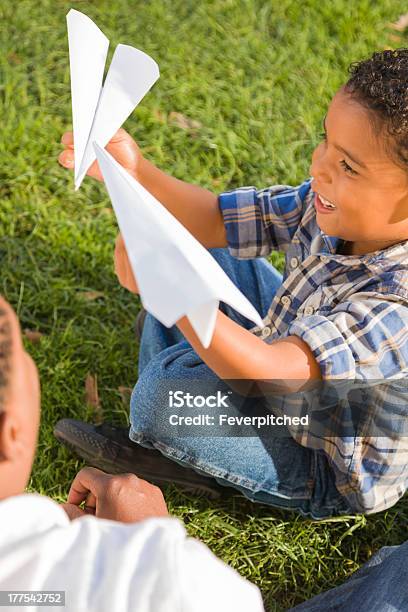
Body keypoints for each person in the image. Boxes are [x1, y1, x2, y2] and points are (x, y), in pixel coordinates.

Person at [57, 49, 408, 519]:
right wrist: (136, 173)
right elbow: (217, 220)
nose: (317, 166)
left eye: (348, 167)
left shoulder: (398, 305)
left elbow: (275, 372)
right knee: (189, 242)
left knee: (164, 395)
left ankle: (170, 451)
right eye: (325, 141)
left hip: (320, 457)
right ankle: (191, 370)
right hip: (283, 341)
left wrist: (175, 291)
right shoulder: (329, 205)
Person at [0, 296, 264, 611]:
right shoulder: (169, 587)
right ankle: (174, 456)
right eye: (22, 356)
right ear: (10, 433)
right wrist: (144, 545)